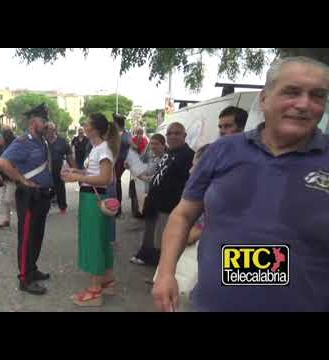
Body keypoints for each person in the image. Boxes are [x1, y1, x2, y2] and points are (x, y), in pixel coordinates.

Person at [153, 56, 329, 312]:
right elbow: (183, 214)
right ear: (264, 98)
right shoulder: (222, 151)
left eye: (317, 95)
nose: (304, 104)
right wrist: (166, 273)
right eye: (292, 92)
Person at [0, 103, 53, 295]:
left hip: (43, 196)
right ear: (33, 122)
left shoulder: (42, 141)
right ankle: (24, 278)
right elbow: (3, 163)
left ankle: (32, 268)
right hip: (29, 197)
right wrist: (22, 180)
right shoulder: (23, 142)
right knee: (27, 237)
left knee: (37, 235)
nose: (47, 124)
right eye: (43, 121)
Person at [61, 112, 121, 306]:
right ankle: (107, 279)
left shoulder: (103, 149)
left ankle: (95, 290)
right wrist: (77, 172)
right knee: (101, 239)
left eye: (86, 123)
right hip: (93, 198)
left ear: (93, 129)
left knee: (93, 241)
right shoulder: (99, 147)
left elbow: (106, 179)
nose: (83, 126)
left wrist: (78, 178)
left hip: (93, 199)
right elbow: (97, 173)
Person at [135, 123, 194, 268]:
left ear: (184, 135)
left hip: (170, 207)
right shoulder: (169, 153)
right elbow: (159, 176)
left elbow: (191, 185)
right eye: (170, 133)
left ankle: (165, 274)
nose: (173, 136)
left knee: (166, 243)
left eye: (177, 133)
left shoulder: (188, 155)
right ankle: (158, 269)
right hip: (157, 204)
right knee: (157, 240)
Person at [129, 133, 169, 266]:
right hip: (152, 197)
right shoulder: (153, 157)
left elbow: (154, 179)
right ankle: (146, 255)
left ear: (164, 145)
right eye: (151, 144)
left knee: (156, 229)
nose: (153, 146)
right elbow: (147, 172)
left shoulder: (164, 159)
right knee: (150, 227)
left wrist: (138, 175)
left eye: (156, 144)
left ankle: (151, 257)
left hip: (160, 198)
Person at [45, 121, 76, 214]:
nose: (53, 131)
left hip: (58, 169)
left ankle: (62, 207)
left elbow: (69, 157)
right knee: (44, 190)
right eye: (50, 129)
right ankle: (45, 207)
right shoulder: (42, 141)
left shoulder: (62, 141)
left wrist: (74, 170)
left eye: (54, 129)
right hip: (45, 170)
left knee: (59, 188)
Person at [0, 127, 16, 229]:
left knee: (9, 199)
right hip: (2, 175)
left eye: (1, 136)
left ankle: (24, 212)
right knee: (3, 198)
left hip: (11, 175)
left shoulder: (14, 144)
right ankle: (6, 219)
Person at [113, 113, 134, 218]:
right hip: (114, 161)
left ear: (117, 123)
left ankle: (118, 209)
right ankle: (116, 207)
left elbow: (132, 146)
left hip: (121, 162)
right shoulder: (117, 134)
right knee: (115, 183)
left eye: (114, 122)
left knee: (116, 182)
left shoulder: (125, 135)